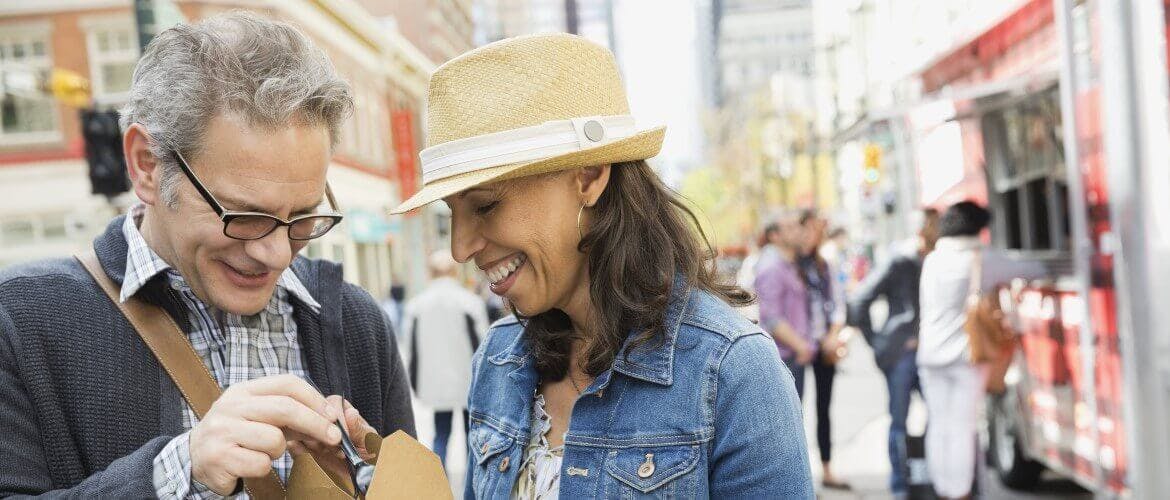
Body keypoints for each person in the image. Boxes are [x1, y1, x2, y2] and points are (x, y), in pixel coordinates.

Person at [0, 13, 415, 498]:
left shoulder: (358, 322)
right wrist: (177, 472)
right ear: (147, 165)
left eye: (302, 216)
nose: (276, 252)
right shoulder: (19, 322)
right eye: (244, 215)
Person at [389, 33, 813, 499]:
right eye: (452, 211)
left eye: (485, 206)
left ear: (588, 178)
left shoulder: (732, 371)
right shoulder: (497, 359)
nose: (460, 246)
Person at [918, 201, 1045, 500]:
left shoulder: (933, 259)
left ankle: (943, 489)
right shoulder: (979, 258)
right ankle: (960, 491)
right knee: (962, 426)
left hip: (930, 355)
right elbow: (1033, 269)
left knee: (938, 424)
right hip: (966, 357)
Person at [847, 208, 940, 498]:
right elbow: (859, 299)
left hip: (929, 353)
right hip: (902, 355)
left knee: (939, 416)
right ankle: (901, 488)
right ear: (924, 229)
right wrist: (879, 343)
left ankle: (929, 479)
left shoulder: (935, 261)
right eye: (936, 225)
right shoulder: (901, 260)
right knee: (899, 422)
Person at [401, 250, 488, 469]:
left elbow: (410, 348)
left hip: (435, 383)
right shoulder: (470, 302)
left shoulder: (416, 305)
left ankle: (439, 485)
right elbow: (485, 343)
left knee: (440, 434)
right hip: (469, 380)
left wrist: (415, 383)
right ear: (454, 271)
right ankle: (474, 487)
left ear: (430, 272)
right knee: (473, 437)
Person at [795, 210, 850, 491]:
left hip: (823, 343)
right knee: (795, 410)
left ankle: (827, 468)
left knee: (824, 409)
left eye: (819, 229)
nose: (815, 234)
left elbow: (838, 302)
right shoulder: (790, 263)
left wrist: (832, 335)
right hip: (797, 346)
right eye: (811, 228)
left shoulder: (825, 262)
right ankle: (801, 477)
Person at [755, 217, 815, 394]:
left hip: (794, 355)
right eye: (789, 227)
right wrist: (801, 346)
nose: (798, 231)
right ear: (774, 236)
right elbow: (772, 317)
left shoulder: (789, 264)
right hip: (784, 358)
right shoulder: (771, 267)